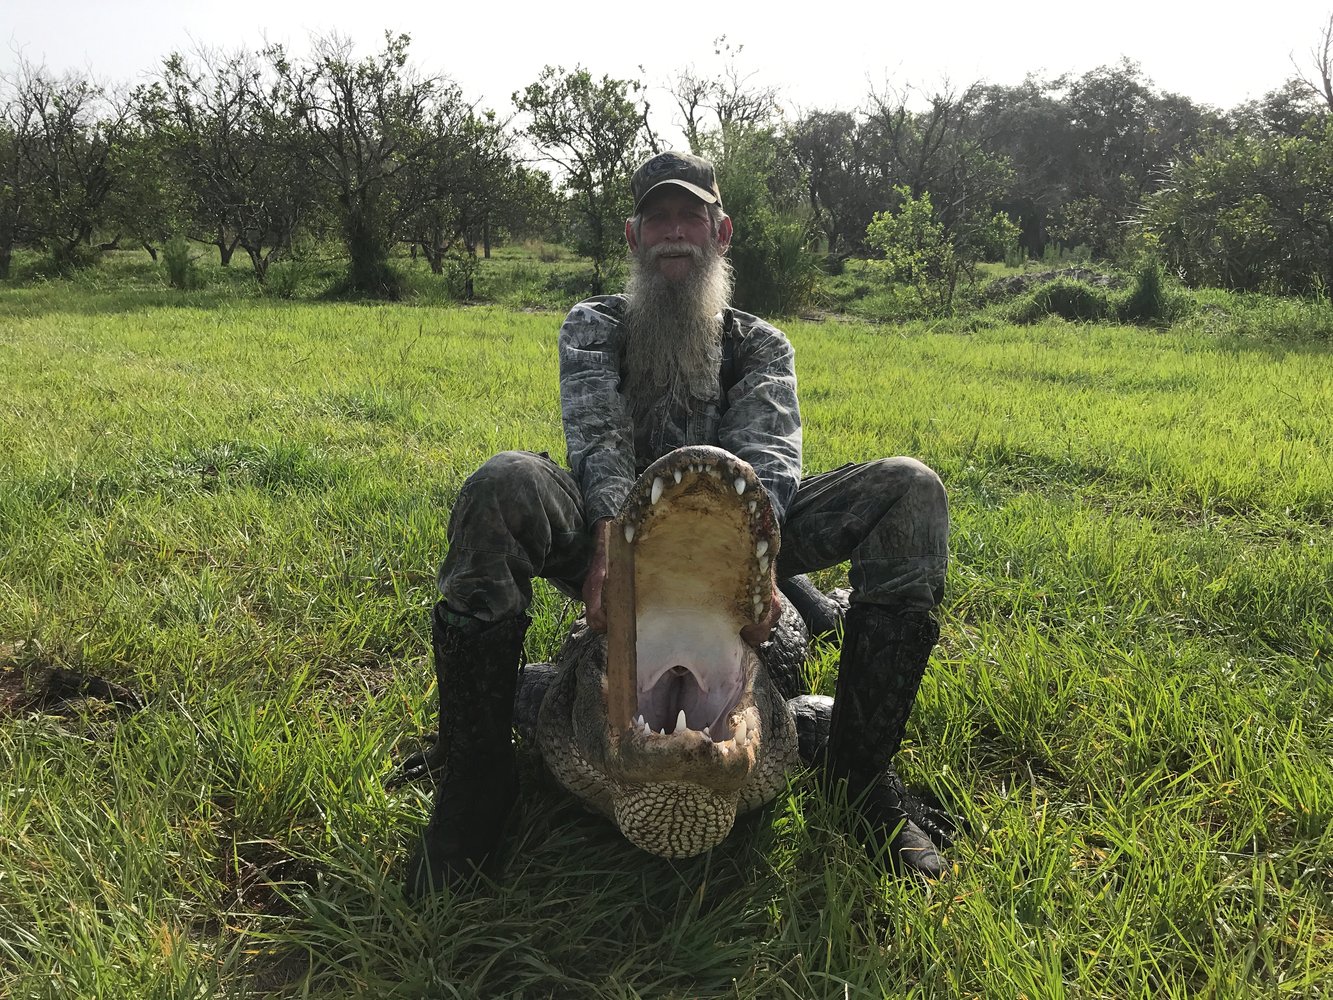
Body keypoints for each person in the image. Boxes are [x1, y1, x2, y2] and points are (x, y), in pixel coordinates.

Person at [407, 151, 950, 895]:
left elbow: (769, 454)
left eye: (689, 216)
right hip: (613, 532)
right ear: (632, 237)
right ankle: (475, 780)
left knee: (908, 489)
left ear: (719, 231)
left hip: (736, 540)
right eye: (656, 218)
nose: (673, 233)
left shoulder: (759, 343)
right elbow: (596, 435)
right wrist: (609, 539)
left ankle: (862, 778)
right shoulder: (594, 324)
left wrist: (755, 568)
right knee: (504, 481)